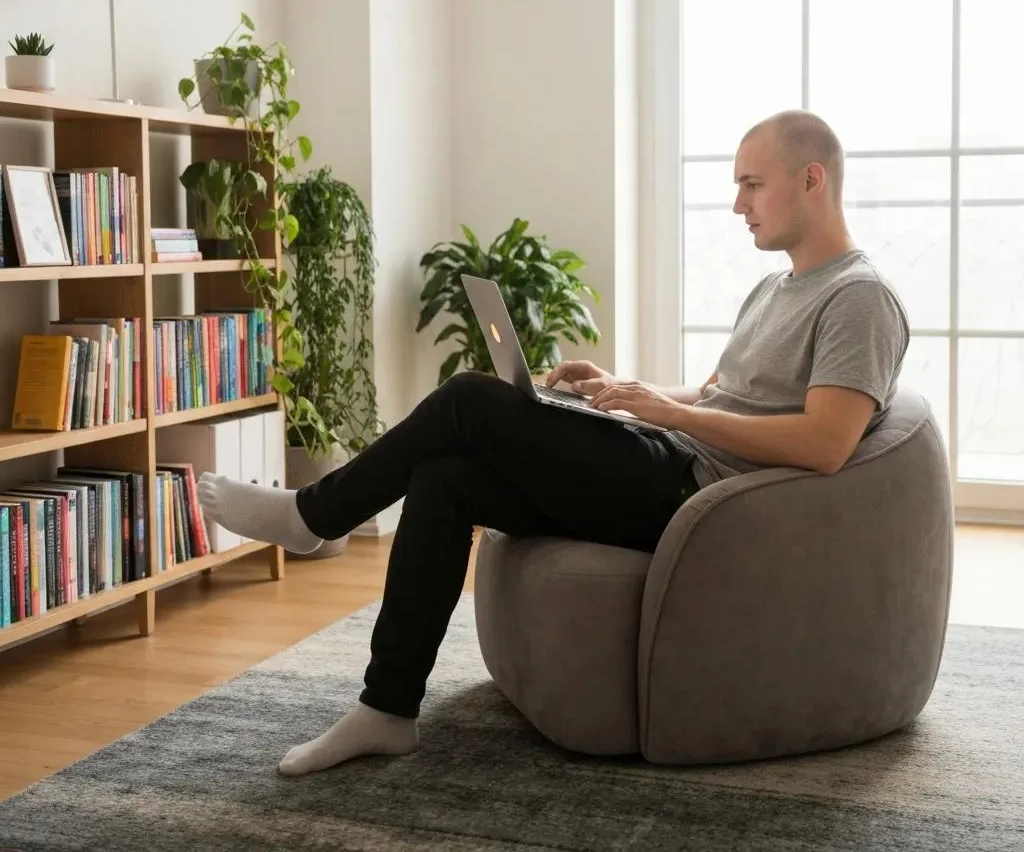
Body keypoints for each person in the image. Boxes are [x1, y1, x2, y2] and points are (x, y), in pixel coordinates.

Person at [197, 109, 910, 777]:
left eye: (752, 184)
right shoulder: (776, 289)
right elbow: (719, 394)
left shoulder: (858, 298)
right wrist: (625, 389)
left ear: (811, 179)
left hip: (699, 499)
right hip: (671, 461)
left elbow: (825, 442)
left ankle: (315, 516)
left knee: (469, 398)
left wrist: (669, 416)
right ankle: (386, 708)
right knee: (444, 479)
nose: (738, 204)